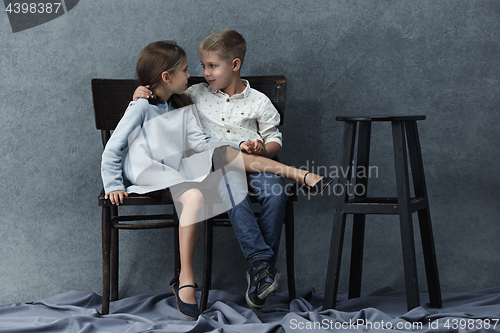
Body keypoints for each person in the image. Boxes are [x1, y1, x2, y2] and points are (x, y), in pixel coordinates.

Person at [127, 38, 332, 315]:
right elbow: (163, 95)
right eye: (202, 66)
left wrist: (263, 147)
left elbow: (274, 139)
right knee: (231, 182)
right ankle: (262, 265)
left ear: (235, 65)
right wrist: (141, 93)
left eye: (212, 66)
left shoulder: (259, 100)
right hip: (218, 167)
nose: (206, 72)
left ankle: (261, 274)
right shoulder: (195, 92)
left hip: (260, 163)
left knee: (276, 192)